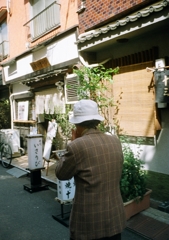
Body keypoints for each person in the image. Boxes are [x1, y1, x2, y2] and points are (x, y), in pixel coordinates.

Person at [55, 99, 126, 240]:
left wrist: (73, 142)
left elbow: (61, 174)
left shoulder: (77, 146)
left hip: (89, 222)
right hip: (114, 217)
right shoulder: (115, 141)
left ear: (77, 124)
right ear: (96, 122)